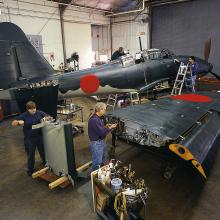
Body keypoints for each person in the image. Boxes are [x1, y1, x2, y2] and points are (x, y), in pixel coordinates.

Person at [12, 101, 48, 176]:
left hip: (39, 136)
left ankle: (45, 163)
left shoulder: (39, 113)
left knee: (43, 151)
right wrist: (18, 123)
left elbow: (47, 116)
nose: (33, 110)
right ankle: (30, 170)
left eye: (34, 108)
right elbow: (13, 123)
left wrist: (46, 119)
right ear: (28, 109)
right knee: (31, 155)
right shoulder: (24, 116)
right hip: (30, 139)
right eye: (31, 109)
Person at [88, 102, 117, 171]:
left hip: (101, 142)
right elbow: (102, 133)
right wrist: (110, 128)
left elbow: (99, 129)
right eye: (104, 109)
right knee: (97, 161)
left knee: (103, 158)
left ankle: (102, 172)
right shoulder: (94, 120)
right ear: (100, 110)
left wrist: (105, 126)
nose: (105, 111)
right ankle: (96, 175)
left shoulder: (98, 118)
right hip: (97, 143)